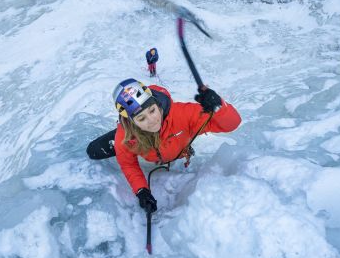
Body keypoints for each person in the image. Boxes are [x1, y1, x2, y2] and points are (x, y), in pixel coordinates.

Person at [103, 78, 241, 214]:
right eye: (141, 118)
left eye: (152, 110)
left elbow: (232, 124)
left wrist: (219, 107)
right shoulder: (125, 136)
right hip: (133, 137)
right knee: (94, 151)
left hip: (173, 148)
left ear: (157, 104)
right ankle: (116, 143)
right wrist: (141, 190)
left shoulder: (182, 114)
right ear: (132, 122)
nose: (152, 121)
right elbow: (128, 165)